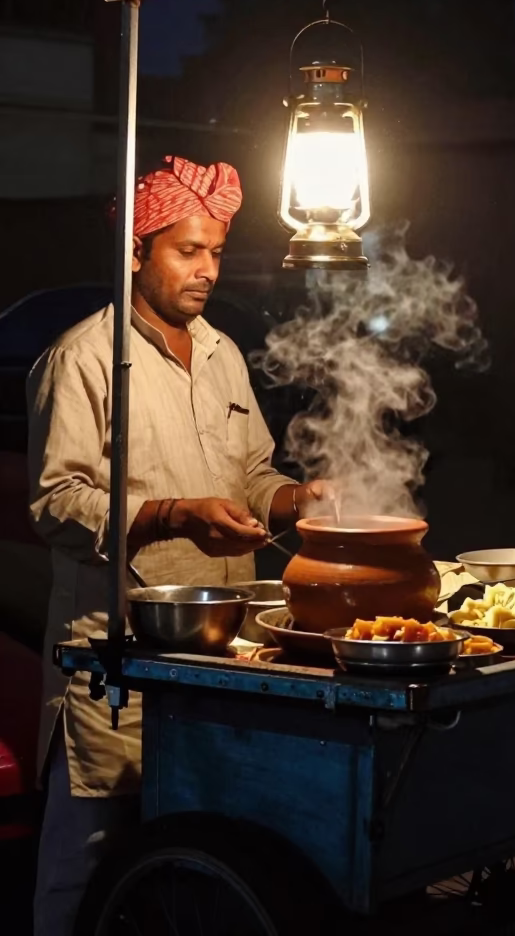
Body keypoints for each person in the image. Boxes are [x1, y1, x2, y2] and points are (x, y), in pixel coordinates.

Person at [27, 155, 333, 936]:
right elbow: (57, 503)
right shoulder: (83, 358)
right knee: (85, 868)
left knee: (196, 859)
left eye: (217, 253)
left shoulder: (222, 352)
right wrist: (173, 515)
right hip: (117, 656)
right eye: (188, 251)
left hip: (221, 655)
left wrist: (299, 501)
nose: (207, 271)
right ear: (136, 251)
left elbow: (253, 473)